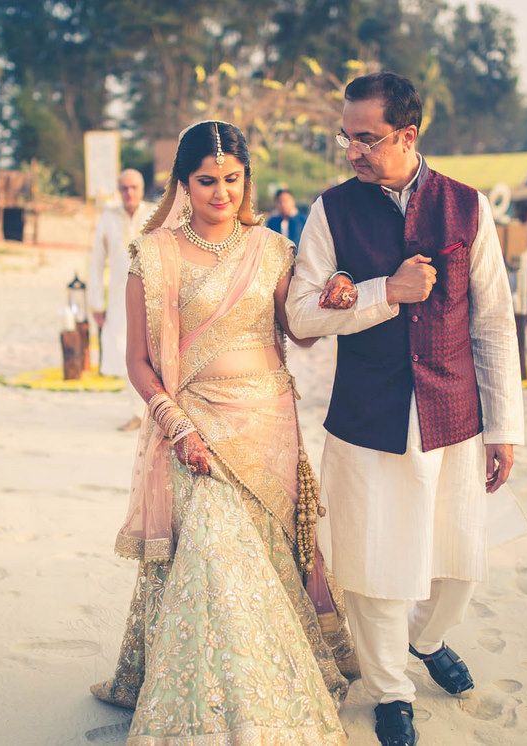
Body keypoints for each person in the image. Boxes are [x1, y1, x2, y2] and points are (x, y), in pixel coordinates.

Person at [89, 121, 357, 744]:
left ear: (246, 179)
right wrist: (176, 426)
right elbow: (138, 363)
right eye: (207, 181)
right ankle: (214, 708)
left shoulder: (270, 250)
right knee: (214, 548)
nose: (221, 193)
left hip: (266, 426)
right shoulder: (150, 255)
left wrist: (337, 294)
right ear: (182, 183)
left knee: (260, 558)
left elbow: (303, 332)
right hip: (192, 428)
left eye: (232, 180)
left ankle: (264, 694)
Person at [286, 72, 524, 746]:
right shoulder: (330, 211)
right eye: (346, 137)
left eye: (366, 138)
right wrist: (381, 291)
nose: (352, 151)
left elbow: (494, 324)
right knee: (374, 564)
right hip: (366, 417)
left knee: (458, 563)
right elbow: (301, 315)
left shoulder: (467, 207)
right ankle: (390, 688)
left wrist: (505, 427)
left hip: (454, 413)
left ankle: (428, 639)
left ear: (408, 135)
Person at [88, 169, 155, 431]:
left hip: (153, 295)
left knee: (155, 353)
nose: (129, 193)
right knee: (126, 351)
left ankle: (152, 414)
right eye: (124, 188)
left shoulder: (154, 214)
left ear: (141, 188)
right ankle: (137, 412)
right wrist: (96, 303)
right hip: (119, 297)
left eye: (134, 187)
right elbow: (95, 262)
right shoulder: (108, 218)